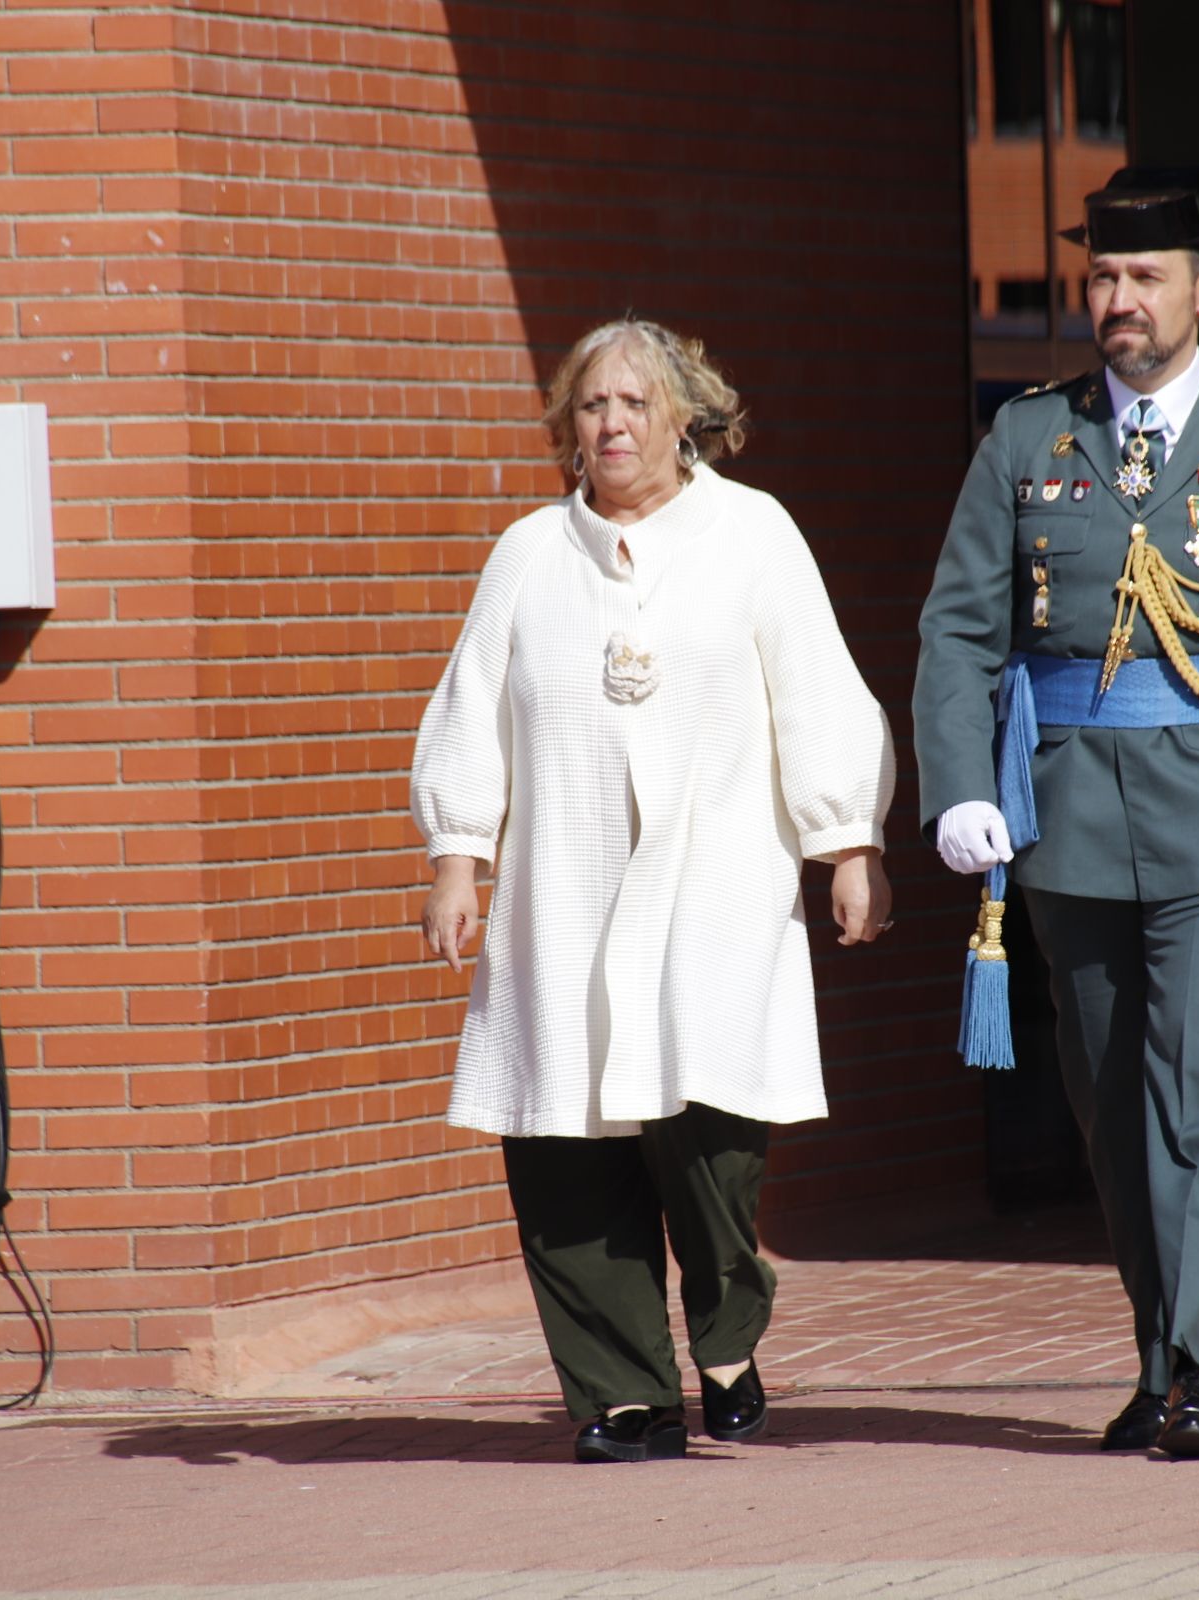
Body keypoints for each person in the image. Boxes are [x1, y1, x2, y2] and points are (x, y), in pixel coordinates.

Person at [913, 167, 1199, 1460]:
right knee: (1115, 1106)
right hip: (1071, 815)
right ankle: (1157, 1356)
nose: (1117, 301)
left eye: (1144, 279)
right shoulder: (1028, 439)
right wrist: (959, 782)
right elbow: (960, 630)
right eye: (1103, 279)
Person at [412, 318, 897, 1464]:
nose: (614, 423)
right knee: (568, 1147)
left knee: (711, 1131)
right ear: (569, 431)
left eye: (636, 403)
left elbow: (819, 690)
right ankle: (621, 1393)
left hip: (715, 885)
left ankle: (726, 1331)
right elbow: (473, 707)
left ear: (686, 416)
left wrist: (847, 843)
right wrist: (457, 855)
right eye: (592, 407)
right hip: (563, 893)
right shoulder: (530, 553)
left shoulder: (754, 532)